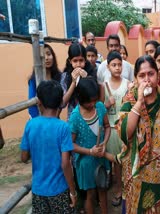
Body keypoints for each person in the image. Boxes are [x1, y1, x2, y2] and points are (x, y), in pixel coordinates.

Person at [115, 55, 160, 213]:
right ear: (135, 79)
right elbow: (125, 133)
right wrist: (140, 102)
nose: (147, 80)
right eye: (142, 76)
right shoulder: (130, 100)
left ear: (157, 75)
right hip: (137, 178)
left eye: (151, 74)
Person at [20, 80, 76, 213]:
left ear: (39, 102)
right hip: (59, 189)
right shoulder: (63, 127)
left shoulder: (30, 125)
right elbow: (65, 163)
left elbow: (23, 157)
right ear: (60, 103)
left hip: (38, 190)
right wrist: (72, 191)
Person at [69, 77, 111, 214]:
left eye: (95, 99)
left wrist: (104, 144)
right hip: (86, 163)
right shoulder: (75, 117)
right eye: (89, 101)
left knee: (103, 190)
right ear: (80, 98)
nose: (92, 103)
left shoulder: (99, 107)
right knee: (91, 195)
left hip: (101, 157)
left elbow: (107, 127)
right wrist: (89, 151)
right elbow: (70, 144)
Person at [102, 51, 129, 207]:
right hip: (111, 129)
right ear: (108, 67)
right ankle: (119, 189)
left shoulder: (128, 84)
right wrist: (106, 104)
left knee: (126, 161)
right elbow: (99, 110)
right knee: (116, 164)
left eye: (119, 65)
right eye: (114, 65)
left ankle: (127, 188)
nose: (117, 68)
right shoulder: (103, 86)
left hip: (125, 128)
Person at [60, 42, 97, 119]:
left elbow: (95, 96)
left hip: (89, 115)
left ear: (85, 60)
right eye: (75, 61)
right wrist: (73, 82)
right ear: (70, 61)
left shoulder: (91, 73)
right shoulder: (65, 76)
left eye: (81, 60)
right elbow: (63, 103)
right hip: (73, 116)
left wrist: (86, 79)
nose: (78, 64)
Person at [28, 44, 61, 118]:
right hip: (39, 121)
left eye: (49, 54)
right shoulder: (33, 80)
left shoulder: (59, 77)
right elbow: (32, 106)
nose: (46, 58)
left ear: (53, 56)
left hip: (55, 119)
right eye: (42, 56)